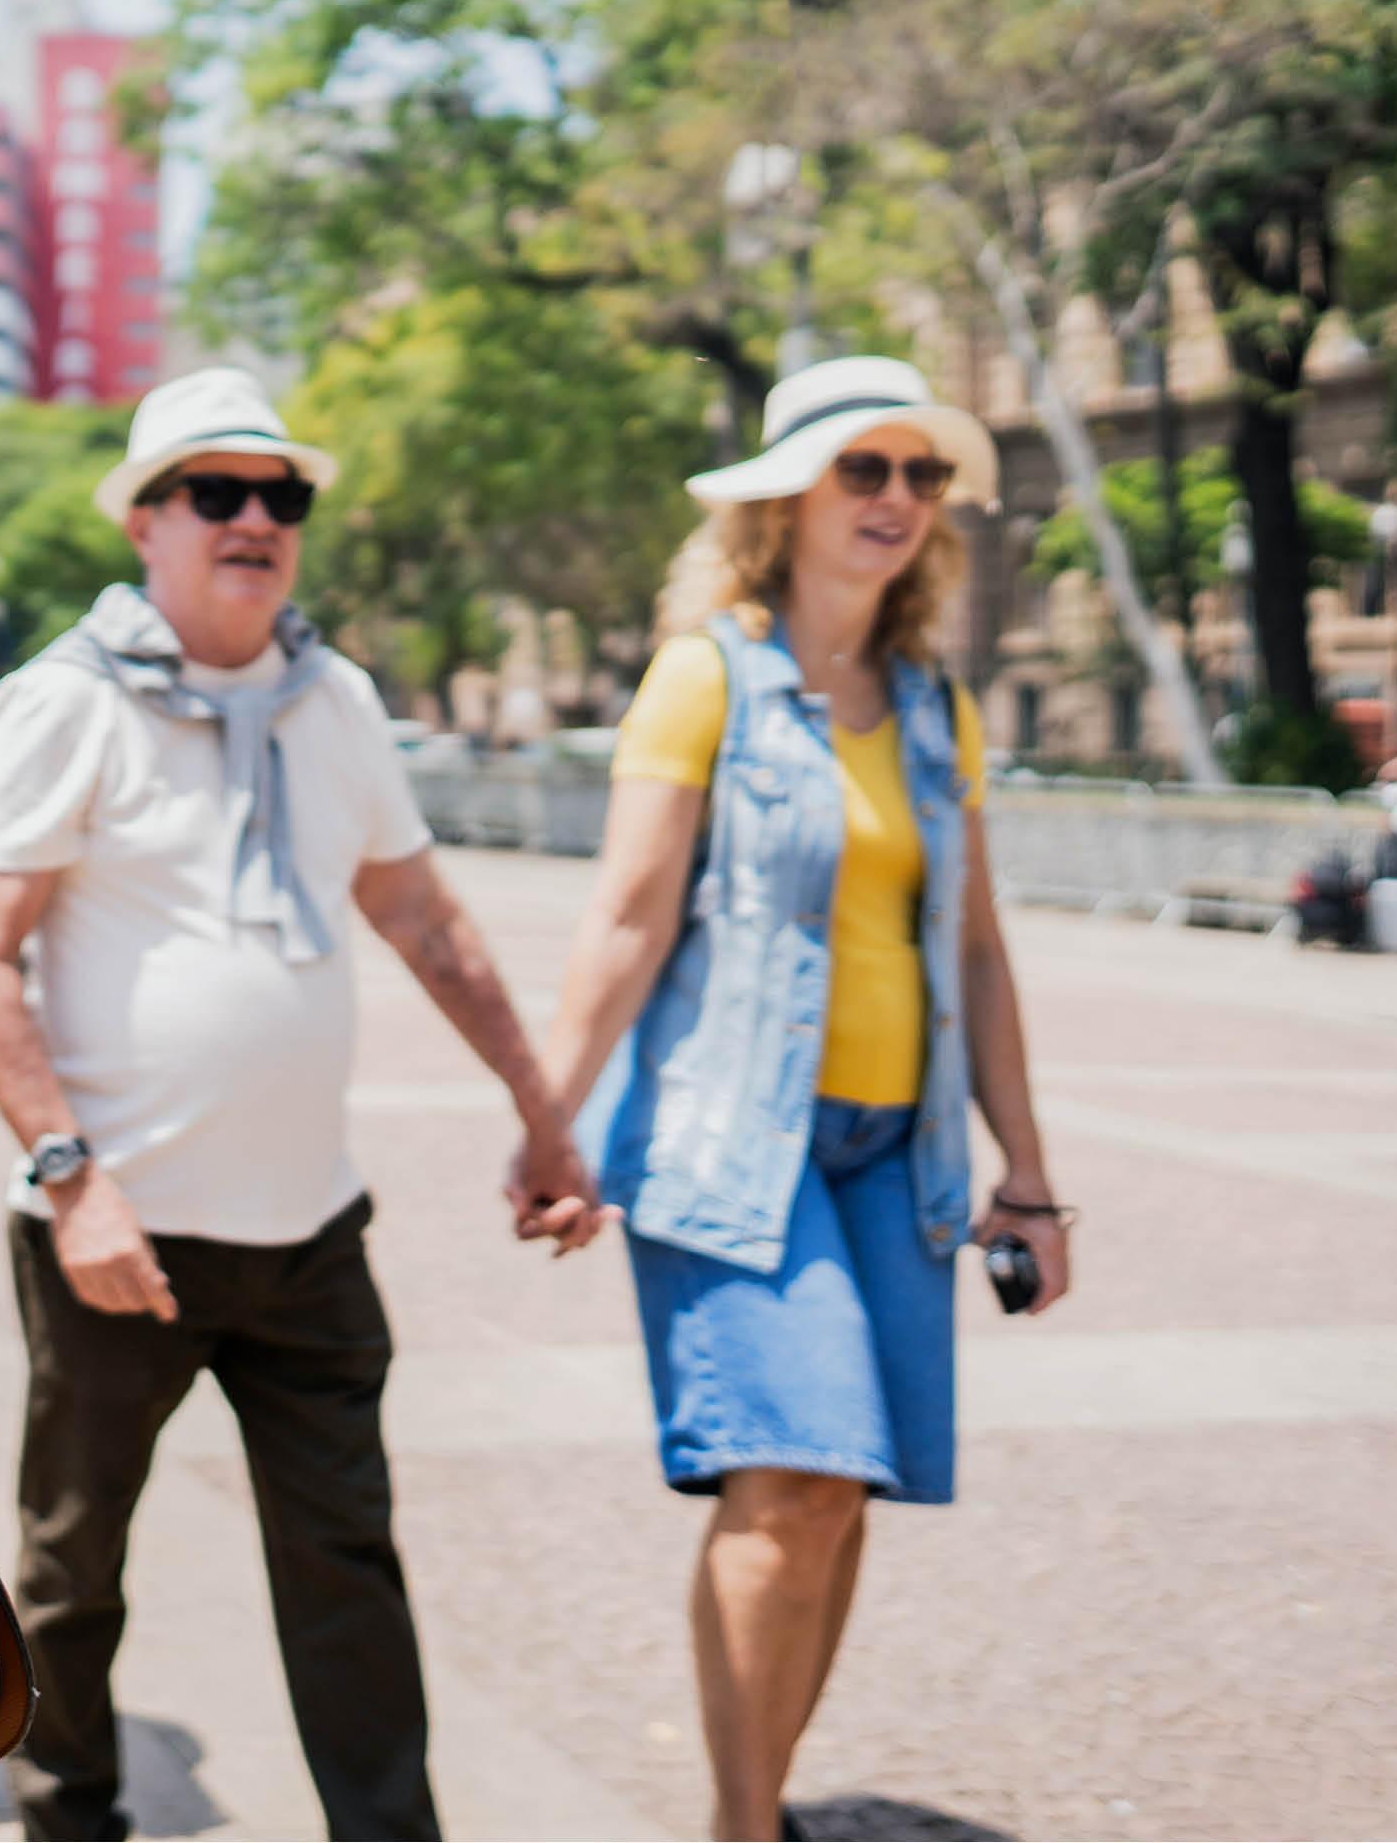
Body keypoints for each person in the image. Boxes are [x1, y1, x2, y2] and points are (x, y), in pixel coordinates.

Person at [0, 366, 587, 1843]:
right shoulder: (62, 704)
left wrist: (542, 1112)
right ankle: (70, 1817)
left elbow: (429, 924)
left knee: (347, 1560)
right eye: (217, 492)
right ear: (145, 522)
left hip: (309, 1231)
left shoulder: (335, 698)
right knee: (69, 1565)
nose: (256, 520)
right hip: (121, 1236)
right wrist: (72, 1178)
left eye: (280, 494)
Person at [523, 355, 1076, 1843]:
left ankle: (751, 1810)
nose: (896, 497)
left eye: (919, 475)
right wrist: (547, 1116)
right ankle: (744, 1824)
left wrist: (1028, 1170)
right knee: (795, 1474)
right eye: (863, 469)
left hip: (899, 1156)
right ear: (786, 498)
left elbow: (974, 941)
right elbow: (627, 919)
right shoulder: (706, 672)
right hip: (728, 1145)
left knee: (839, 1499)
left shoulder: (933, 703)